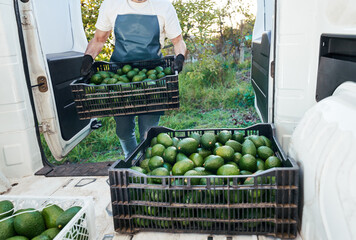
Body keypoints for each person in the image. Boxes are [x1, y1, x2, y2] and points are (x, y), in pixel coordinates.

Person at [80, 0, 187, 158]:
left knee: (148, 132)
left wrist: (180, 58)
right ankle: (131, 159)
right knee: (123, 130)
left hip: (152, 79)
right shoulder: (111, 4)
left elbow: (178, 41)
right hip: (120, 77)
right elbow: (98, 39)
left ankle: (147, 166)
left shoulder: (163, 6)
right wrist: (88, 58)